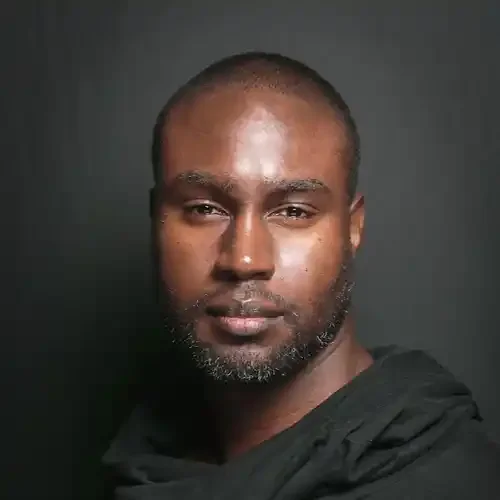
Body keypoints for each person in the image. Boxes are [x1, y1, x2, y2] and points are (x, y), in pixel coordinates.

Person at [102, 52, 500, 499]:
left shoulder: (449, 481)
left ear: (352, 229)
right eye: (204, 209)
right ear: (156, 217)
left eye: (293, 212)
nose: (244, 259)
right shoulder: (150, 462)